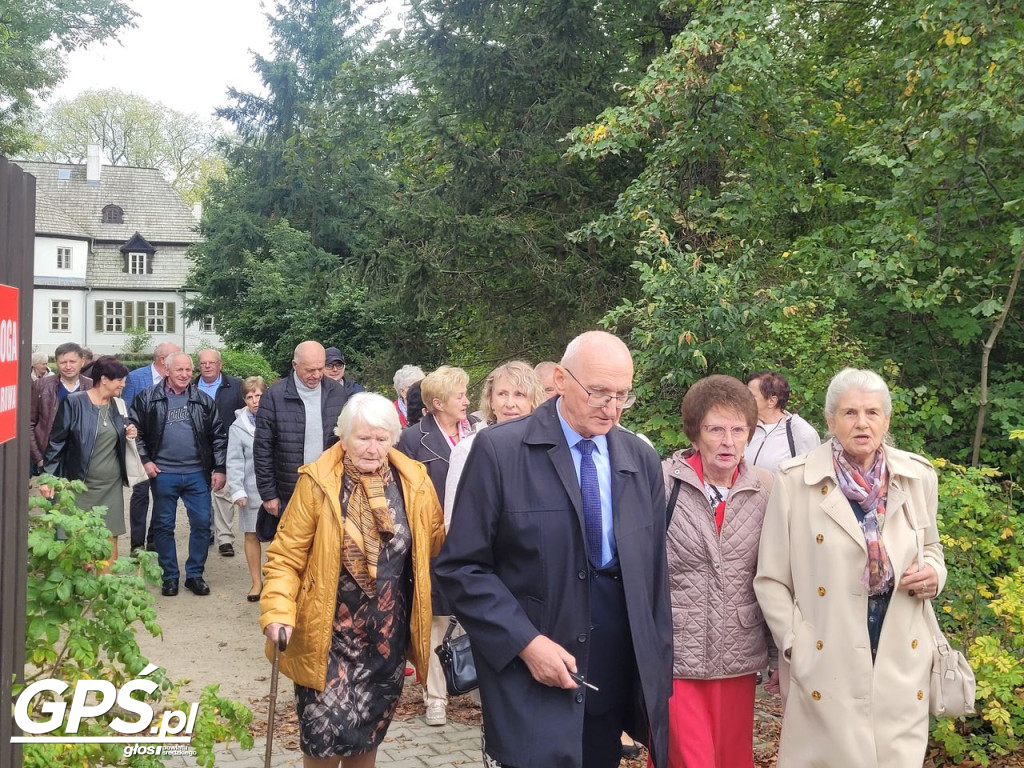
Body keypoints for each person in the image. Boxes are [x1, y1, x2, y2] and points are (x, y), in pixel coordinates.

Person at [436, 331, 672, 768]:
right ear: (561, 379)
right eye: (599, 392)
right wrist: (525, 643)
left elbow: (654, 578)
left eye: (623, 395)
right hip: (532, 674)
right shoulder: (501, 451)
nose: (613, 407)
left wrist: (655, 672)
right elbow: (461, 568)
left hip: (611, 673)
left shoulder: (640, 459)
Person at [753, 368, 946, 768]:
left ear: (887, 420)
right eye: (850, 413)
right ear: (830, 421)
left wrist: (933, 574)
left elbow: (931, 548)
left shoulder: (917, 477)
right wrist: (796, 644)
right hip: (827, 647)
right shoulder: (795, 481)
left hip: (900, 647)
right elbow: (771, 578)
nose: (862, 423)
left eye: (873, 413)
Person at [260, 393, 444, 768]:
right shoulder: (318, 482)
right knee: (323, 743)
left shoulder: (414, 481)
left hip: (384, 640)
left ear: (393, 438)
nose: (373, 448)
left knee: (366, 741)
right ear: (343, 437)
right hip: (327, 636)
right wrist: (278, 610)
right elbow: (285, 555)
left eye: (381, 438)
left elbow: (433, 540)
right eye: (363, 438)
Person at [661, 375, 775, 768]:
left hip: (739, 656)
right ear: (695, 435)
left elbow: (777, 574)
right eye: (715, 429)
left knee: (731, 759)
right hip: (677, 654)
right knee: (690, 760)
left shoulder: (767, 489)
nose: (727, 441)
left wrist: (777, 654)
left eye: (737, 430)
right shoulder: (662, 483)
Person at [395, 365, 475, 726]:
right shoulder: (412, 440)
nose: (467, 401)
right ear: (438, 402)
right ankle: (435, 697)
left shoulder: (477, 431)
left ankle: (479, 687)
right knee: (435, 621)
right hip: (433, 542)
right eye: (460, 396)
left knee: (478, 614)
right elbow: (403, 493)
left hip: (476, 541)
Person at [130, 352, 228, 597]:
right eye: (179, 370)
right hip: (164, 473)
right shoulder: (148, 398)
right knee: (163, 526)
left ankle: (194, 575)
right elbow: (135, 431)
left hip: (197, 473)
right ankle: (170, 576)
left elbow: (218, 436)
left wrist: (219, 468)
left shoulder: (202, 400)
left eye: (188, 370)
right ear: (167, 371)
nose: (184, 375)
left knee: (202, 525)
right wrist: (145, 460)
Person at [40, 356, 135, 562]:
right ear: (104, 379)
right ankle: (76, 591)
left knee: (109, 540)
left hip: (110, 487)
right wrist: (48, 478)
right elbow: (56, 443)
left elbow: (121, 431)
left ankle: (104, 593)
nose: (123, 384)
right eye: (119, 379)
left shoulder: (119, 405)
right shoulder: (74, 403)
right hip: (78, 485)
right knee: (73, 541)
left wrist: (130, 432)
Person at [254, 341, 350, 525]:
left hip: (328, 488)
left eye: (320, 368)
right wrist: (268, 494)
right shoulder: (274, 396)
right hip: (289, 491)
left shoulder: (337, 392)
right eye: (309, 370)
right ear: (294, 365)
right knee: (290, 549)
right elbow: (262, 449)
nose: (316, 375)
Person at [121, 341, 181, 555]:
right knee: (140, 494)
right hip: (139, 446)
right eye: (176, 357)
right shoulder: (136, 378)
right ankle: (137, 544)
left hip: (165, 449)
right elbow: (126, 412)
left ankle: (154, 539)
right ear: (164, 361)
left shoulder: (176, 381)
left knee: (162, 494)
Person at [196, 348, 245, 557]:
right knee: (200, 492)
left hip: (225, 446)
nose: (207, 367)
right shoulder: (190, 386)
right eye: (203, 363)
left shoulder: (235, 386)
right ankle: (205, 532)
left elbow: (245, 415)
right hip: (196, 447)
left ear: (220, 365)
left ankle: (225, 538)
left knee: (223, 492)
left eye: (211, 363)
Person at [226, 376, 269, 602]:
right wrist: (237, 490)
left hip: (275, 488)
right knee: (251, 534)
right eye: (249, 397)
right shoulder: (238, 427)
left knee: (280, 536)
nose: (254, 401)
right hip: (251, 490)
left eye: (258, 395)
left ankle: (276, 579)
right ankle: (256, 582)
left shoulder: (276, 418)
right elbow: (234, 461)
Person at [30, 342, 93, 475]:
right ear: (56, 363)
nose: (68, 366)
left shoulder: (91, 386)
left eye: (72, 361)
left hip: (83, 459)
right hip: (50, 457)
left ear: (82, 362)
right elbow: (29, 424)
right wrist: (39, 458)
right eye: (63, 362)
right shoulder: (41, 386)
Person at [745, 371, 820, 472]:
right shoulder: (744, 427)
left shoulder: (801, 432)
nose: (744, 399)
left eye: (751, 396)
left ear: (772, 401)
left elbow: (812, 475)